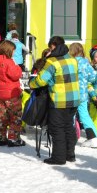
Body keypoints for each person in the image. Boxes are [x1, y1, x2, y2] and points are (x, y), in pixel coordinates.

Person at [30, 36, 81, 165]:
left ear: (53, 46)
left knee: (57, 128)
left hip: (59, 100)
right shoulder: (72, 59)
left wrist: (32, 84)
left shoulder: (52, 61)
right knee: (69, 127)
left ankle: (59, 157)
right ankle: (70, 154)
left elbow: (42, 80)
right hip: (74, 98)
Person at [0, 40, 25, 147]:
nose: (15, 53)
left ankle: (0, 138)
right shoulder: (8, 62)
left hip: (1, 93)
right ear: (9, 51)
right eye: (14, 50)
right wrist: (18, 68)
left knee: (3, 116)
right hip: (12, 93)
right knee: (15, 116)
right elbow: (15, 75)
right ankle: (13, 138)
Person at [69, 43, 97, 147]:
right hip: (83, 93)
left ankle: (72, 136)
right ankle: (93, 137)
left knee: (71, 115)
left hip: (71, 92)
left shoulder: (70, 62)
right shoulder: (85, 62)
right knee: (84, 115)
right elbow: (93, 76)